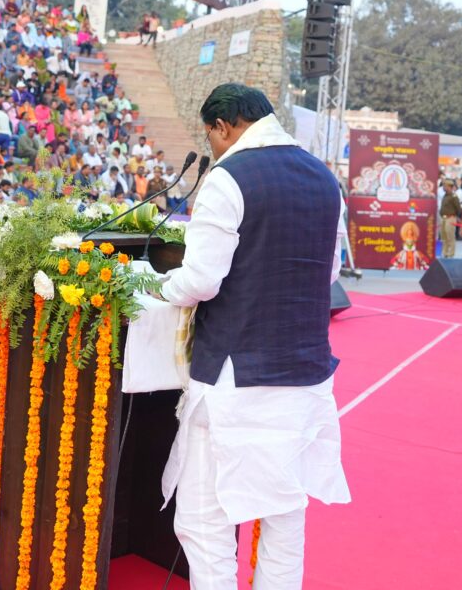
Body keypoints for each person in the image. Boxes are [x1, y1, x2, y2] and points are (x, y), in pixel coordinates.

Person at [158, 84, 349, 590]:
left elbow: (200, 281)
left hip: (234, 379)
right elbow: (328, 273)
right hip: (306, 376)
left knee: (203, 519)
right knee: (285, 514)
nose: (214, 147)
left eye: (211, 137)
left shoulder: (229, 176)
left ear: (223, 127)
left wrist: (157, 285)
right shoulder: (326, 180)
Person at [439, 179, 460, 259]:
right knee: (443, 236)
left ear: (449, 187)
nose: (444, 187)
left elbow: (458, 208)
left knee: (450, 236)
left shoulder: (453, 196)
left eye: (445, 186)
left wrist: (454, 216)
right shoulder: (445, 195)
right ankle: (444, 252)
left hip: (450, 218)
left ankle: (450, 253)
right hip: (443, 218)